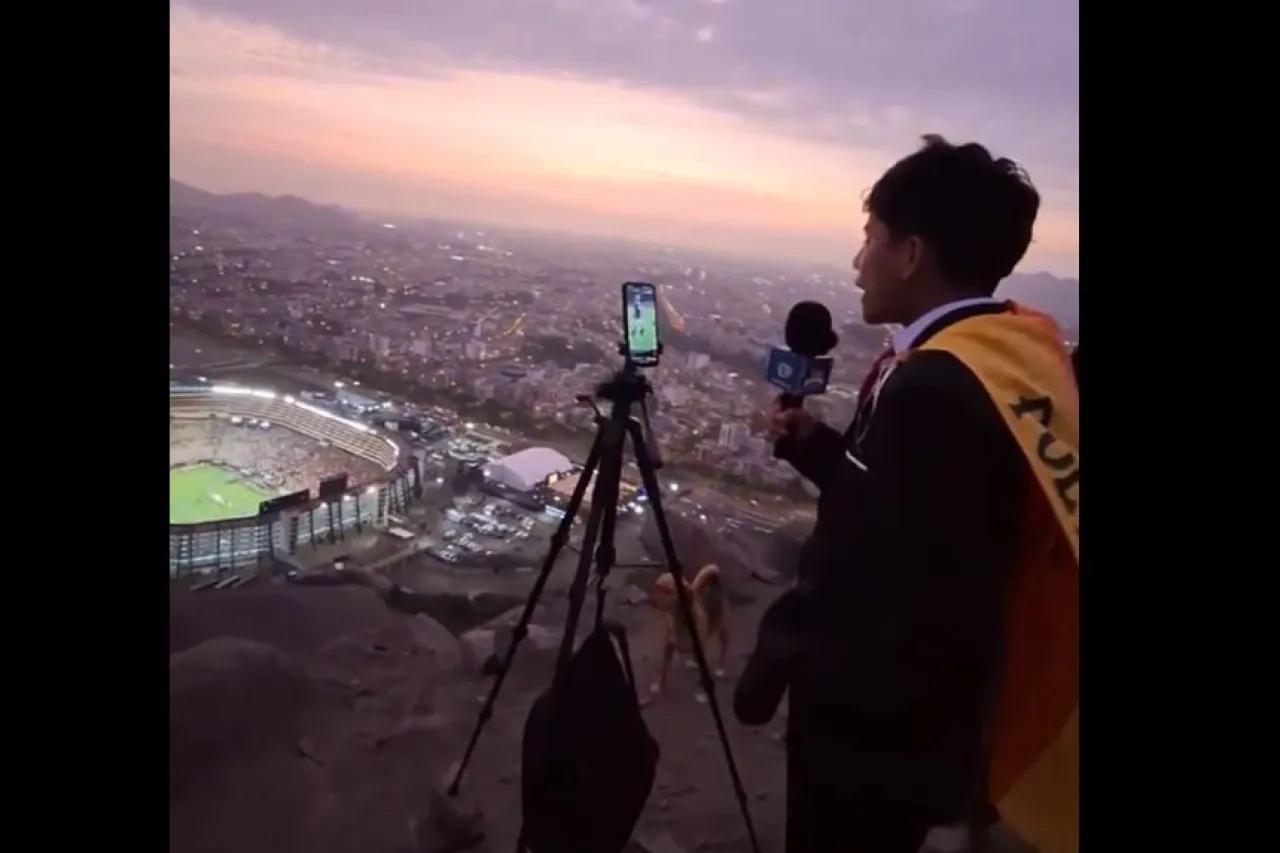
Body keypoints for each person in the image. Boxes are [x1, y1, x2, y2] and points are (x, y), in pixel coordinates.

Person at [736, 135, 1079, 853]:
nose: (858, 262)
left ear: (912, 253)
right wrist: (816, 446)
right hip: (931, 711)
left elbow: (869, 569)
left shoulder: (936, 385)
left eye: (870, 239)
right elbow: (907, 507)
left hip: (876, 725)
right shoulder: (1003, 354)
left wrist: (774, 652)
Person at [648, 564, 729, 699]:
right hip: (683, 617)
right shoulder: (669, 607)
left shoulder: (696, 615)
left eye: (665, 592)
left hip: (703, 613)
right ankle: (660, 680)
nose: (657, 596)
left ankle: (718, 666)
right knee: (669, 646)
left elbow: (712, 570)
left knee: (705, 648)